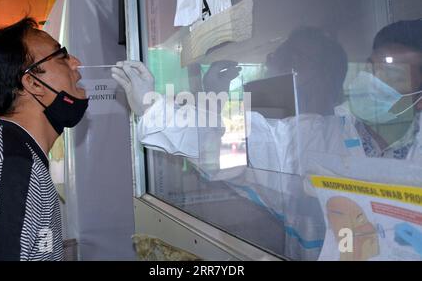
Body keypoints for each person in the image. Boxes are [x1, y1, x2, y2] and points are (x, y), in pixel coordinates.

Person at [112, 20, 422, 260]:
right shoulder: (312, 136)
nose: (373, 83)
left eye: (393, 76)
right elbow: (229, 144)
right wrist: (155, 109)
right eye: (372, 70)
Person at [0, 17, 88, 261]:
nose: (76, 64)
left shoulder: (12, 154)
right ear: (33, 83)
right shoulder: (13, 168)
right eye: (62, 55)